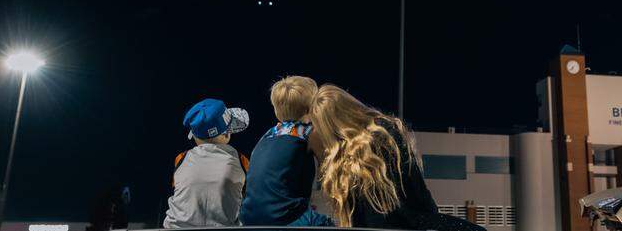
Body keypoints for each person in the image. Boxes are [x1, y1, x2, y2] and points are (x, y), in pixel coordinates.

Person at [310, 84, 484, 231]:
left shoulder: (337, 162)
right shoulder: (384, 132)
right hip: (408, 223)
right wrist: (433, 216)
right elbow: (417, 191)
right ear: (350, 105)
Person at [240, 76, 334, 226]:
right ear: (313, 107)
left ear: (277, 110)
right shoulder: (309, 133)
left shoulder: (268, 134)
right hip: (287, 218)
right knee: (334, 223)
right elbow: (329, 168)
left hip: (249, 218)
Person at [164, 98, 250, 228]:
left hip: (175, 229)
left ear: (194, 136)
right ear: (226, 134)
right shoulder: (240, 160)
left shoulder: (181, 158)